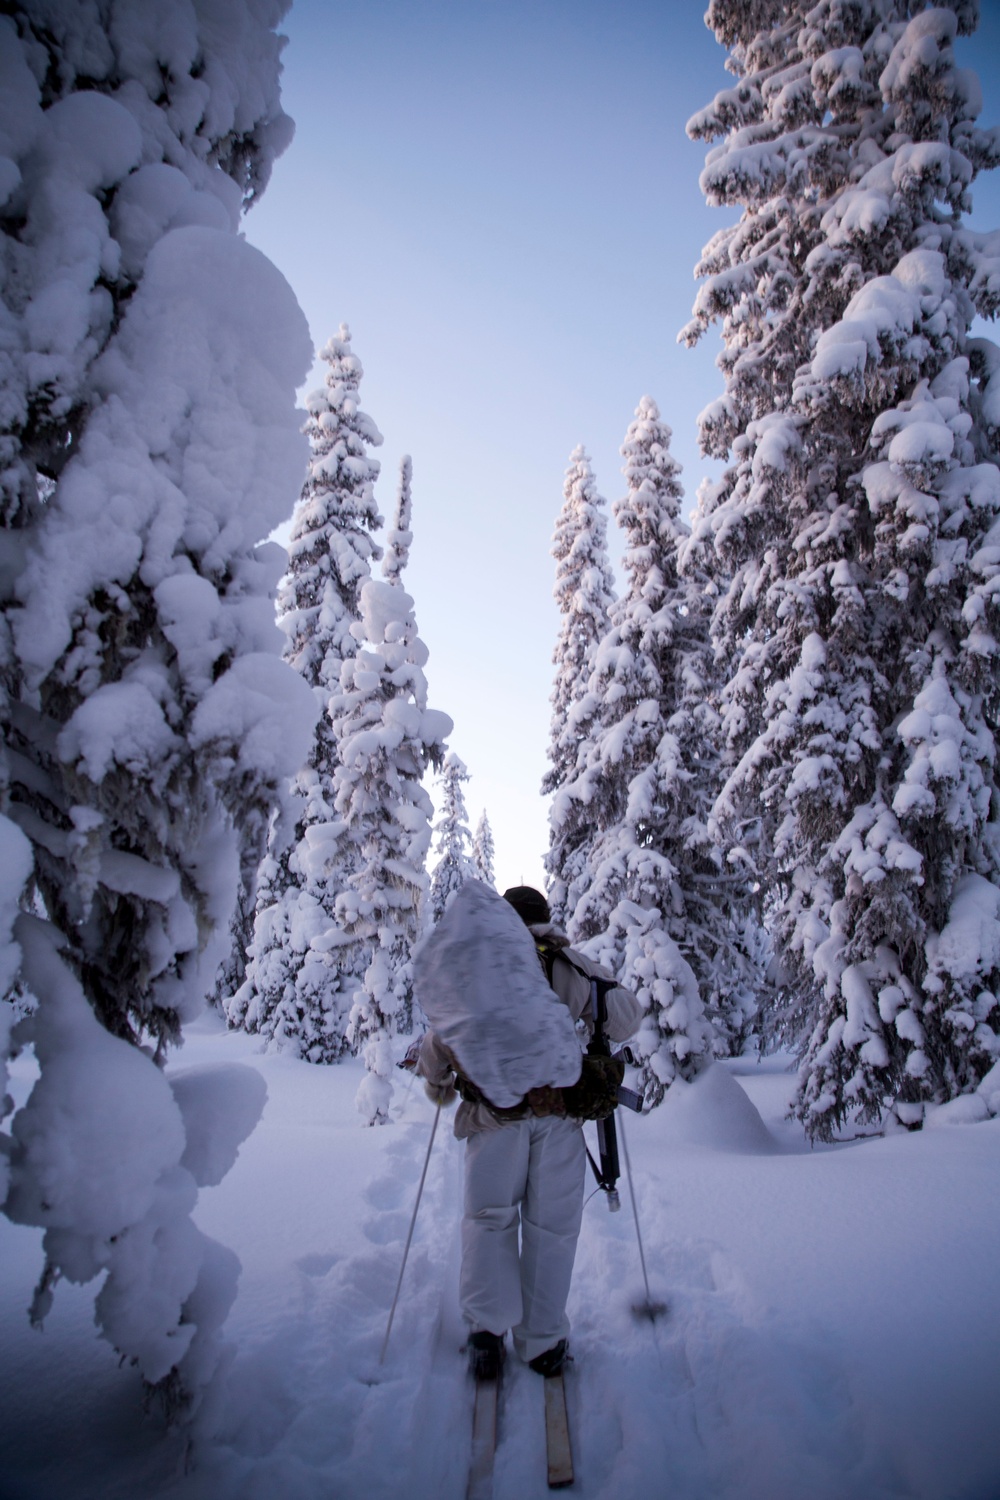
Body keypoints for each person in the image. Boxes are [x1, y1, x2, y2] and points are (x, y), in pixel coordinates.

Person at [418, 884, 642, 1380]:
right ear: (545, 918)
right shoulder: (570, 963)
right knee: (552, 1228)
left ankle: (485, 1335)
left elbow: (441, 1036)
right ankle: (542, 1342)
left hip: (491, 1116)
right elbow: (626, 1021)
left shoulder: (478, 966)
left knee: (489, 1218)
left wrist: (437, 1083)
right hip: (559, 1117)